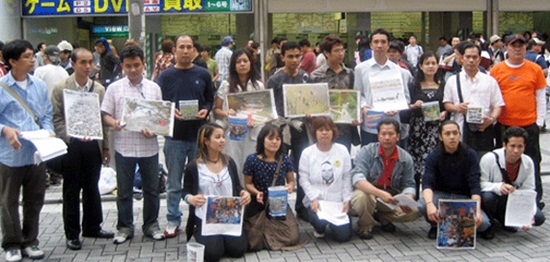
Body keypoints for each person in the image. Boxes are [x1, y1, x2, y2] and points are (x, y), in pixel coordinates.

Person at [101, 45, 166, 244]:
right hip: (124, 146)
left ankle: (151, 225)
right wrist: (115, 123)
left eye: (136, 65)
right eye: (128, 66)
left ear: (144, 65)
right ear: (122, 66)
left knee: (152, 189)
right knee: (125, 190)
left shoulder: (153, 88)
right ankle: (124, 226)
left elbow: (161, 118)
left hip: (149, 147)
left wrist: (155, 128)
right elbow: (105, 114)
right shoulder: (114, 88)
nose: (133, 70)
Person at [51, 48, 114, 250]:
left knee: (91, 187)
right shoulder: (61, 87)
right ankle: (72, 233)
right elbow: (56, 117)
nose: (88, 67)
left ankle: (92, 226)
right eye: (83, 62)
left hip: (92, 145)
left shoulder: (99, 89)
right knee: (71, 189)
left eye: (90, 62)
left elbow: (103, 121)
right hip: (71, 146)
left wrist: (105, 147)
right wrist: (70, 135)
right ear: (72, 63)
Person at [155, 35, 214, 238]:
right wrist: (171, 113)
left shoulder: (203, 74)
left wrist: (206, 110)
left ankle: (198, 218)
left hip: (199, 137)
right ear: (174, 51)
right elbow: (159, 105)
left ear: (194, 51)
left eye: (189, 47)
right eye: (182, 47)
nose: (186, 51)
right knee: (173, 182)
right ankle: (173, 219)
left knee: (200, 181)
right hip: (175, 138)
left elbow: (209, 100)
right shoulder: (165, 76)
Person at [0, 39, 52, 261]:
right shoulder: (2, 87)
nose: (33, 60)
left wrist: (49, 132)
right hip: (10, 155)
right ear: (12, 61)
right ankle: (11, 244)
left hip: (36, 153)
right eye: (27, 57)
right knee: (8, 201)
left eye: (33, 56)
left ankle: (30, 241)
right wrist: (5, 130)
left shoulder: (38, 85)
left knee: (35, 200)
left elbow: (47, 114)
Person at [490, 34, 547, 209]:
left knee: (532, 162)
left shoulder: (534, 69)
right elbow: (492, 96)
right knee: (505, 163)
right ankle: (506, 200)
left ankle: (534, 200)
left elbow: (541, 97)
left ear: (525, 48)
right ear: (507, 48)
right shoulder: (497, 70)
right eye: (513, 45)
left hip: (528, 125)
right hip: (504, 125)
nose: (517, 49)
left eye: (521, 46)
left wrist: (539, 122)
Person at [182, 123, 251, 262]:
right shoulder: (194, 166)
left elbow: (237, 186)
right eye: (218, 137)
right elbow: (185, 192)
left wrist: (244, 193)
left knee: (238, 250)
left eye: (223, 137)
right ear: (206, 141)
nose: (222, 141)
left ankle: (222, 238)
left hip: (229, 215)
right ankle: (204, 235)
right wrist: (191, 199)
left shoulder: (229, 162)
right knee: (212, 254)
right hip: (206, 217)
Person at [418, 120, 493, 240]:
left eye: (455, 133)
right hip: (441, 196)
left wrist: (476, 210)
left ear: (459, 135)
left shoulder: (470, 154)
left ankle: (457, 225)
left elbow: (475, 185)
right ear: (440, 137)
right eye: (447, 134)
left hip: (464, 198)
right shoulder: (433, 156)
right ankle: (435, 225)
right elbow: (427, 182)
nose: (452, 137)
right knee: (422, 204)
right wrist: (430, 204)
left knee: (484, 224)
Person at [350, 118, 420, 240]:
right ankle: (365, 225)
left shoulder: (405, 158)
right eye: (383, 134)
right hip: (369, 193)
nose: (387, 138)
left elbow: (409, 184)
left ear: (398, 136)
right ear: (378, 136)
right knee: (361, 197)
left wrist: (408, 198)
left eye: (391, 134)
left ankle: (382, 217)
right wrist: (380, 193)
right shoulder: (367, 151)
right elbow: (357, 179)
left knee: (415, 211)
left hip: (391, 198)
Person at [266, 41, 311, 222]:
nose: (294, 60)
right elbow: (268, 106)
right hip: (281, 130)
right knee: (278, 168)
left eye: (297, 56)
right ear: (282, 57)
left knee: (303, 168)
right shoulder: (275, 79)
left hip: (301, 128)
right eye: (290, 56)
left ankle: (302, 207)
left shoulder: (305, 77)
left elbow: (311, 99)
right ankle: (277, 208)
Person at [243, 124, 304, 250]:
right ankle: (269, 237)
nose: (274, 142)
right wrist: (256, 192)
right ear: (262, 140)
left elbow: (291, 181)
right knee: (251, 236)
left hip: (279, 203)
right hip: (258, 203)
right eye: (270, 138)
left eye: (278, 139)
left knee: (292, 237)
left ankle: (266, 238)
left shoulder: (285, 159)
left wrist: (289, 187)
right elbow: (248, 184)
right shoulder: (252, 160)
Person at [443, 42, 504, 157]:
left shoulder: (490, 80)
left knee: (485, 164)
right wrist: (457, 107)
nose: (471, 60)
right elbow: (447, 103)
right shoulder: (452, 80)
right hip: (462, 129)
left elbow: (498, 104)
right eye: (468, 57)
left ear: (480, 59)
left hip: (485, 129)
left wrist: (491, 119)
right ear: (462, 58)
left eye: (474, 57)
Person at [480, 127, 545, 234]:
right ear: (504, 145)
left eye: (520, 146)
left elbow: (529, 190)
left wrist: (526, 216)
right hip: (494, 197)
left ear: (524, 147)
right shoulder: (489, 159)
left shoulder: (528, 162)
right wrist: (499, 187)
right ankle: (491, 224)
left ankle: (509, 221)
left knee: (538, 218)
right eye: (512, 146)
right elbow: (481, 184)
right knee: (488, 197)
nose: (516, 150)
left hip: (514, 199)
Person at [354, 28, 412, 147]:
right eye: (376, 42)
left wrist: (397, 107)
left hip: (392, 126)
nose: (379, 45)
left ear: (388, 44)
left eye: (383, 42)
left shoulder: (400, 71)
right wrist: (363, 106)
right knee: (369, 159)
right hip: (370, 125)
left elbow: (406, 97)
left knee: (393, 162)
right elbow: (358, 94)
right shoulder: (361, 69)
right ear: (371, 45)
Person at [213, 49, 264, 183]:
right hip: (234, 133)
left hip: (253, 132)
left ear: (250, 63)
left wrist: (257, 119)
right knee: (233, 164)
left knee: (251, 166)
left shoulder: (259, 85)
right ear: (233, 66)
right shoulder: (226, 85)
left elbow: (265, 111)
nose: (242, 64)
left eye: (245, 61)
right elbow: (216, 110)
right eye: (238, 62)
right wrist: (226, 113)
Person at [299, 117, 353, 242]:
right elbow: (303, 179)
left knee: (343, 236)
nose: (324, 133)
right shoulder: (307, 153)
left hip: (337, 201)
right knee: (319, 223)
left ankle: (336, 225)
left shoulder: (342, 150)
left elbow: (346, 176)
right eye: (321, 130)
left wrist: (346, 201)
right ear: (315, 133)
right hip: (318, 201)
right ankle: (319, 227)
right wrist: (313, 198)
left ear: (333, 132)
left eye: (328, 130)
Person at [310, 34, 360, 152]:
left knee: (343, 155)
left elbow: (353, 97)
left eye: (342, 50)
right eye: (336, 51)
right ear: (327, 53)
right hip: (323, 126)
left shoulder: (349, 73)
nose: (341, 54)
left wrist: (354, 114)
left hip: (344, 126)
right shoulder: (316, 76)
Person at [407, 51, 446, 195]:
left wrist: (445, 113)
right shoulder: (413, 85)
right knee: (416, 163)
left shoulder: (443, 84)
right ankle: (416, 195)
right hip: (418, 129)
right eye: (427, 63)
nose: (431, 66)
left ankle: (433, 195)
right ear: (421, 66)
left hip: (436, 129)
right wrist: (414, 105)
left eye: (433, 63)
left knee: (435, 161)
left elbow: (447, 104)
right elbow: (405, 105)